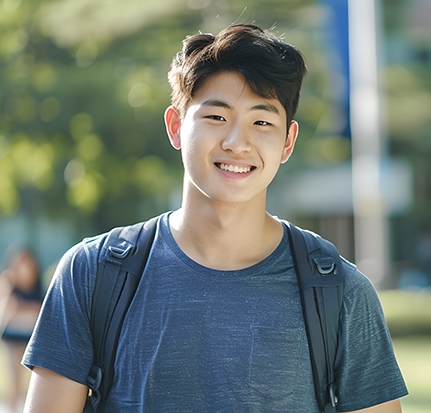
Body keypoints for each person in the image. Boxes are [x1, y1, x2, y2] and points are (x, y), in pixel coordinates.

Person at [21, 24, 408, 412]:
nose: (237, 143)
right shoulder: (93, 273)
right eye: (217, 117)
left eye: (262, 122)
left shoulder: (339, 292)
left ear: (288, 142)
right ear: (176, 126)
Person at [0, 248, 43, 413]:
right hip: (12, 339)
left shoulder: (38, 287)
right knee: (14, 381)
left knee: (34, 382)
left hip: (32, 339)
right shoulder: (10, 285)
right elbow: (7, 309)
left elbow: (41, 309)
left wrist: (22, 307)